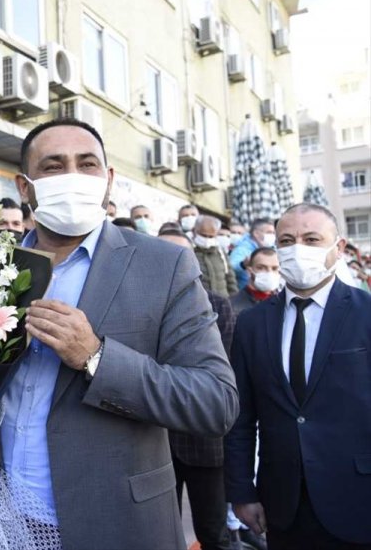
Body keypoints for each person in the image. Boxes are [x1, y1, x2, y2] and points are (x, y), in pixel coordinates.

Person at [0, 117, 237, 549]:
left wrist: (96, 357)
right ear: (25, 186)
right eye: (54, 166)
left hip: (114, 522)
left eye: (87, 164)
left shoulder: (164, 266)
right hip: (1, 517)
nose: (73, 176)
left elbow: (214, 402)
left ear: (108, 178)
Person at [225, 203, 371, 550]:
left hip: (358, 498)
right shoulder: (252, 323)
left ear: (338, 247)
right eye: (287, 240)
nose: (298, 248)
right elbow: (240, 416)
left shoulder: (366, 313)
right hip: (283, 504)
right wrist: (241, 491)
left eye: (311, 239)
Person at [160, 230, 236, 550]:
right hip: (154, 440)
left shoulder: (216, 303)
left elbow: (219, 373)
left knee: (213, 531)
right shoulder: (138, 304)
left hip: (204, 439)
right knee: (161, 533)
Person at [193, 216, 238, 298]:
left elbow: (230, 279)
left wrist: (234, 299)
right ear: (195, 231)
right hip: (199, 301)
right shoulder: (189, 251)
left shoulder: (221, 253)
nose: (207, 239)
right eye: (203, 235)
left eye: (211, 236)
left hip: (222, 301)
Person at [229, 248, 280, 317]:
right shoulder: (232, 307)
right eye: (261, 268)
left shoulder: (285, 303)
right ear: (249, 271)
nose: (269, 273)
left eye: (274, 268)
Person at [229, 218, 276, 290]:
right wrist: (242, 264)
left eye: (273, 233)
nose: (272, 236)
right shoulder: (242, 249)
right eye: (269, 232)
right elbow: (231, 269)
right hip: (247, 292)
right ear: (256, 233)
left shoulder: (272, 248)